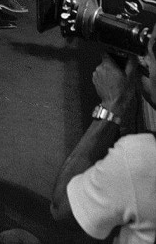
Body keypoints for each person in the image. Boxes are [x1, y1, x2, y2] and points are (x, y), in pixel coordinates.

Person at [50, 30, 156, 243]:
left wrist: (111, 106)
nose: (143, 59)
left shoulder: (142, 157)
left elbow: (61, 207)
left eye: (151, 52)